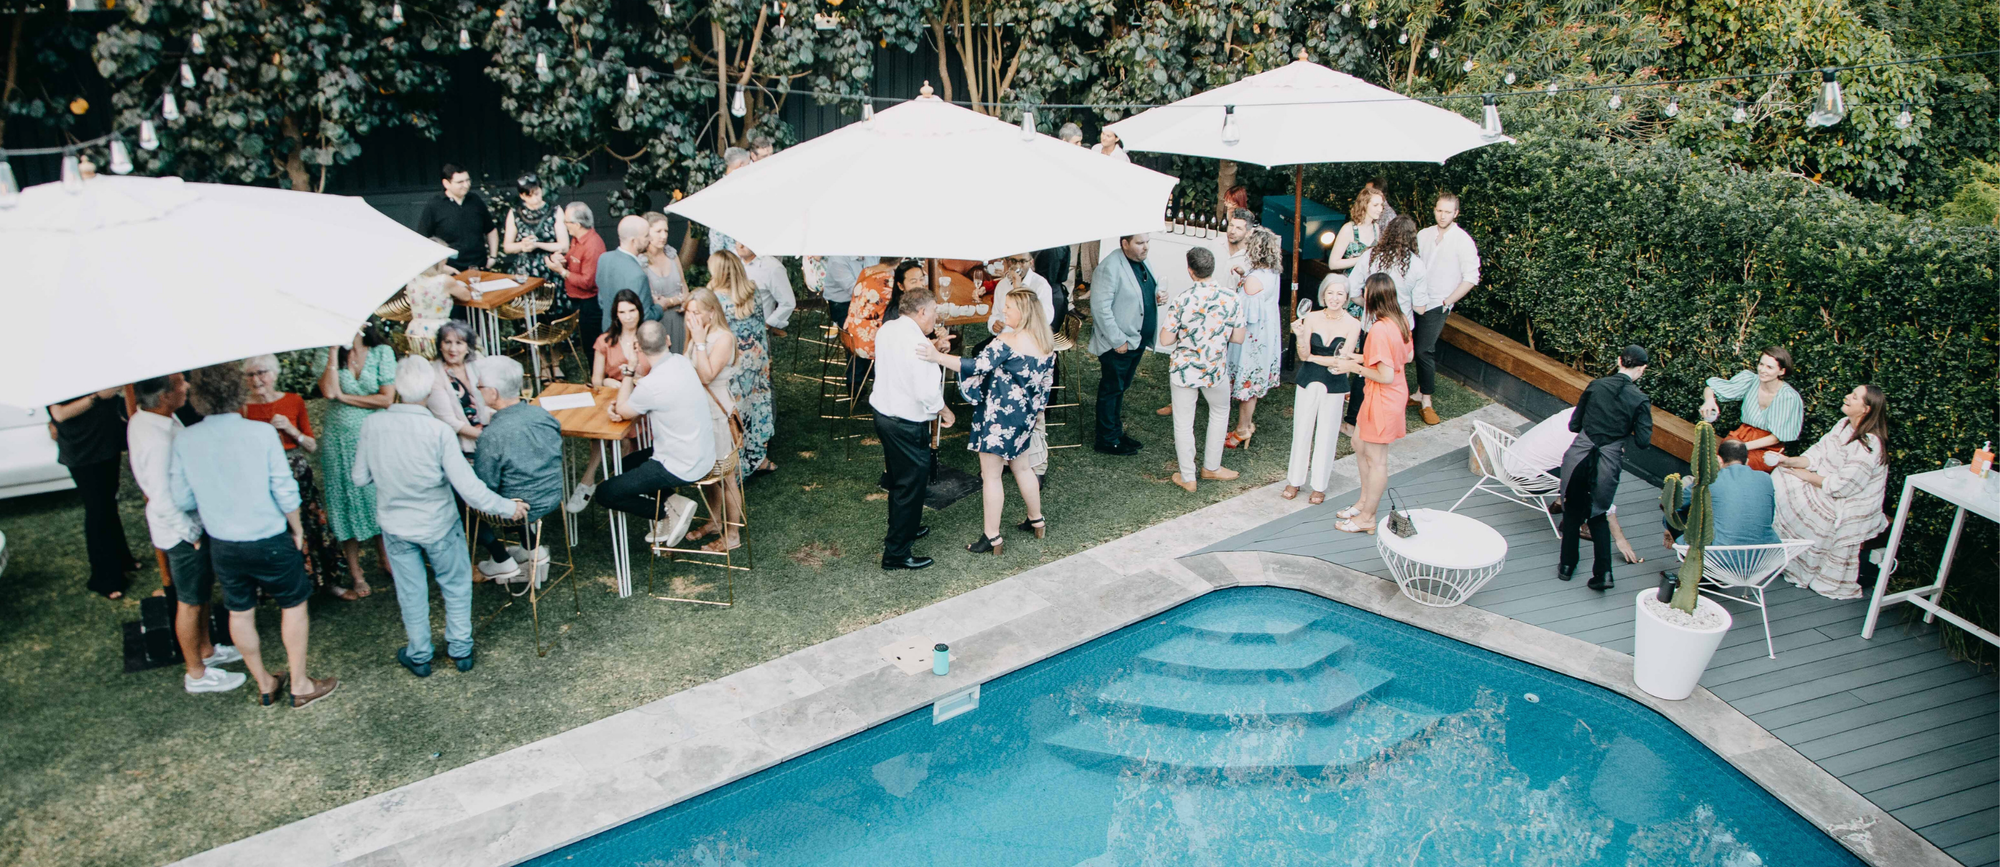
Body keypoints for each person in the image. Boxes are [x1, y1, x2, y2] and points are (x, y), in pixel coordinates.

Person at [170, 363, 336, 709]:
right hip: (269, 535)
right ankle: (301, 683)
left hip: (224, 543)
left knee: (240, 610)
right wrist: (298, 529)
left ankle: (264, 683)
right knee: (293, 604)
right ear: (237, 392)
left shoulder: (185, 438)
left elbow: (183, 499)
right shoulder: (259, 434)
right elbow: (286, 492)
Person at [354, 358, 526, 677]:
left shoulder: (371, 425)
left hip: (395, 525)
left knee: (411, 590)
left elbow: (359, 478)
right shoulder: (438, 430)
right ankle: (460, 649)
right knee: (456, 584)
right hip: (439, 524)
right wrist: (507, 507)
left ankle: (419, 654)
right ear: (430, 389)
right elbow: (469, 489)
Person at [129, 374, 245, 693]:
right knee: (190, 601)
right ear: (164, 395)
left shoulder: (155, 419)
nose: (187, 387)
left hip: (190, 524)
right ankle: (196, 673)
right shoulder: (155, 439)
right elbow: (161, 495)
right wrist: (189, 533)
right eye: (180, 384)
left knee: (202, 591)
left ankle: (207, 651)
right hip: (181, 531)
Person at [916, 288, 1054, 554]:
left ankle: (992, 537)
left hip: (998, 418)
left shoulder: (1007, 341)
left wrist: (937, 357)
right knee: (1023, 469)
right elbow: (1045, 386)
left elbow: (975, 366)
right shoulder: (1045, 344)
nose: (1004, 312)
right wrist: (1035, 412)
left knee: (991, 477)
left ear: (1023, 312)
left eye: (1009, 308)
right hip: (1025, 417)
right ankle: (1036, 520)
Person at [597, 321, 717, 543]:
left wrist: (630, 368)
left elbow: (624, 410)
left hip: (680, 465)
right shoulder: (682, 362)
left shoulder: (650, 386)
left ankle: (664, 512)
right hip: (704, 454)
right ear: (668, 340)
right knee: (625, 465)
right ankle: (673, 501)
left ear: (639, 348)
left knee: (605, 492)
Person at [1772, 385, 1891, 600]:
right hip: (1825, 483)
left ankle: (1803, 564)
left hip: (1850, 502)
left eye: (1854, 397)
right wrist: (1789, 462)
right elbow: (1817, 454)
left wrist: (1805, 476)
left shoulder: (1870, 445)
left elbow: (1842, 487)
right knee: (1781, 476)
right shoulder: (1843, 425)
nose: (1847, 397)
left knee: (1817, 511)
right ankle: (1781, 553)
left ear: (1866, 409)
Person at [243, 354, 345, 594]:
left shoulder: (293, 401)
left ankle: (327, 582)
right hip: (261, 475)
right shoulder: (242, 409)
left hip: (296, 472)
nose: (257, 379)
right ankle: (285, 588)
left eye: (262, 373)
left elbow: (311, 445)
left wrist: (291, 429)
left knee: (310, 524)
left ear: (274, 374)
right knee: (278, 531)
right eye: (250, 374)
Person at [1557, 345, 1654, 590]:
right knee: (1599, 515)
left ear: (1619, 360)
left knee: (1572, 512)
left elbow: (1574, 424)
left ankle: (1566, 567)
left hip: (1579, 456)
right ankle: (1604, 574)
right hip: (1608, 461)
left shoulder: (1596, 385)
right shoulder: (1640, 399)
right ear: (1642, 369)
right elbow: (1643, 442)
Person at [871, 288, 954, 570]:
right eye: (934, 312)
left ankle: (906, 527)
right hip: (906, 422)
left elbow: (908, 355)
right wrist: (944, 410)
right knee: (911, 485)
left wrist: (935, 349)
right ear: (921, 312)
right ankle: (896, 554)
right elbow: (926, 391)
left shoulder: (889, 328)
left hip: (884, 414)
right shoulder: (917, 344)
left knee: (898, 480)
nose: (936, 317)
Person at [1504, 407, 1644, 564]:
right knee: (1592, 476)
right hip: (1528, 479)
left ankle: (1558, 503)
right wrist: (1620, 539)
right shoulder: (1586, 441)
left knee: (1575, 465)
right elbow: (1600, 491)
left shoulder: (1576, 411)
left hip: (1508, 460)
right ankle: (1579, 523)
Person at [1157, 247, 1244, 493]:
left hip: (1185, 369)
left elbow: (1165, 340)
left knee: (1184, 422)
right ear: (1211, 268)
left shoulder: (1182, 299)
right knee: (1220, 411)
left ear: (1190, 270)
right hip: (1215, 368)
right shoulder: (1231, 298)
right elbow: (1238, 337)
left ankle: (1188, 477)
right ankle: (1212, 467)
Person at [1331, 275, 1414, 533]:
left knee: (1377, 460)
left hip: (1384, 397)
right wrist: (1358, 355)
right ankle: (1364, 501)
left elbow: (1385, 375)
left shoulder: (1379, 328)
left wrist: (1352, 365)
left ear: (1371, 296)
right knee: (1357, 442)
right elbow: (1406, 356)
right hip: (1387, 393)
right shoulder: (1400, 320)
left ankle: (1368, 517)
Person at [319, 325, 398, 598]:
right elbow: (329, 392)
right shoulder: (329, 354)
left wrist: (345, 397)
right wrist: (332, 350)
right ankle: (356, 572)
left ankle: (385, 558)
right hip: (338, 440)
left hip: (373, 436)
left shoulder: (382, 352)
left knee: (377, 495)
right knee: (343, 499)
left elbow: (386, 399)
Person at [472, 356, 566, 581]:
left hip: (518, 509)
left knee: (460, 496)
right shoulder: (543, 414)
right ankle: (531, 547)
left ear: (493, 393)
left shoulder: (492, 436)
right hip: (551, 496)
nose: (476, 389)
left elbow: (485, 487)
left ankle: (500, 559)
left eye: (479, 386)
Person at [565, 290, 653, 513]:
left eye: (632, 310)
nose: (628, 316)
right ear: (616, 315)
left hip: (643, 401)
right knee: (603, 431)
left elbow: (659, 376)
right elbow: (595, 380)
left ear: (639, 311)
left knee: (619, 433)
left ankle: (605, 484)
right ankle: (596, 481)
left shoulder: (649, 339)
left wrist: (633, 379)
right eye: (623, 312)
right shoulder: (604, 341)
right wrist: (608, 381)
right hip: (612, 399)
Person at [48, 385, 137, 598]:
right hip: (82, 450)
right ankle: (104, 578)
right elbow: (59, 414)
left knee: (108, 504)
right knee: (97, 510)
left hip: (106, 441)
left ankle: (122, 559)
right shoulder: (51, 372)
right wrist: (97, 397)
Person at [1283, 278, 1361, 504]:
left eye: (1340, 294)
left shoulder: (1353, 324)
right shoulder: (1312, 317)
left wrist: (1315, 358)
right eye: (1330, 293)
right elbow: (1303, 355)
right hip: (1308, 380)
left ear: (1346, 297)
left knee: (1327, 434)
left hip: (1335, 384)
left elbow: (1342, 360)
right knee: (1302, 430)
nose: (1335, 298)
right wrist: (1299, 337)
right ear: (1323, 295)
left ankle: (1319, 485)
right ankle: (1294, 479)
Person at [680, 289, 746, 552]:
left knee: (726, 477)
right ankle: (714, 521)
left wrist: (697, 341)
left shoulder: (723, 338)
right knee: (709, 473)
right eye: (688, 312)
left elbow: (706, 375)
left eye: (697, 312)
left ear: (711, 312)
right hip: (699, 415)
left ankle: (733, 536)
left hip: (718, 417)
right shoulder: (699, 334)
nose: (691, 317)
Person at [1088, 234, 1161, 456]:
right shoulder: (1109, 267)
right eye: (1140, 243)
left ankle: (1115, 432)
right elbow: (1100, 308)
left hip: (1136, 340)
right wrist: (1117, 340)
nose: (1145, 247)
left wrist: (1156, 296)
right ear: (1125, 243)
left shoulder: (1141, 261)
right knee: (1112, 389)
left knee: (1120, 388)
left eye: (1147, 241)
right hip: (1119, 343)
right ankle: (1107, 439)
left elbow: (1136, 293)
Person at [1415, 192, 1481, 426]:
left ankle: (1426, 401)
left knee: (1424, 350)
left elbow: (1471, 277)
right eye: (1438, 210)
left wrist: (1447, 301)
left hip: (1436, 304)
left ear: (1456, 213)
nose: (1442, 215)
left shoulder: (1463, 241)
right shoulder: (1424, 234)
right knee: (1404, 347)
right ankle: (1408, 393)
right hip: (1413, 299)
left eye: (1447, 211)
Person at [712, 250, 778, 478]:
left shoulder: (714, 298)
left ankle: (737, 462)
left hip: (731, 361)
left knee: (736, 410)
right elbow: (760, 325)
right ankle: (759, 457)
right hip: (757, 358)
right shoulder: (752, 291)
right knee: (757, 406)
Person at [1700, 346, 1805, 473]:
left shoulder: (1788, 397)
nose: (1762, 370)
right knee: (1717, 462)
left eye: (1769, 367)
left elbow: (1775, 438)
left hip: (1767, 447)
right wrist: (1709, 400)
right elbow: (1711, 388)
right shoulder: (1751, 380)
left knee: (1739, 466)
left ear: (1782, 371)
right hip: (1742, 435)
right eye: (1761, 364)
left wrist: (1741, 448)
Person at [1226, 226, 1284, 449]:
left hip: (1251, 338)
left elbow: (1247, 314)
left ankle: (1242, 429)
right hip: (1266, 334)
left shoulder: (1254, 280)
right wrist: (1245, 276)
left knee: (1246, 386)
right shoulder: (1271, 273)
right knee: (1251, 385)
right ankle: (1247, 423)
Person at [1669, 438, 1781, 548]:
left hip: (1719, 557)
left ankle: (1691, 556)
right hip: (1764, 557)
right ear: (1747, 461)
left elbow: (1673, 505)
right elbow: (1769, 516)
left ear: (1719, 460)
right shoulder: (1765, 478)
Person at [424, 321, 493, 457]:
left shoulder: (476, 366)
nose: (452, 349)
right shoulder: (434, 375)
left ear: (468, 347)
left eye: (459, 343)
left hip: (490, 435)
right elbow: (449, 421)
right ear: (440, 346)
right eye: (447, 342)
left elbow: (492, 401)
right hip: (463, 447)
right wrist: (489, 438)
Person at [1345, 214, 1424, 330]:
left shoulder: (1370, 255)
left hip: (1372, 325)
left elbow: (1352, 291)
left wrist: (1368, 304)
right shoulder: (1417, 264)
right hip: (1401, 327)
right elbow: (1420, 308)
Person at [415, 163, 496, 273]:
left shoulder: (475, 201)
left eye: (468, 180)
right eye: (460, 182)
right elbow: (423, 240)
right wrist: (441, 267)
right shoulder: (434, 206)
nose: (466, 185)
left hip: (479, 267)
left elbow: (491, 230)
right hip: (451, 270)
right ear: (446, 183)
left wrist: (493, 257)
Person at [548, 202, 605, 356]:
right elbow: (572, 260)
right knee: (586, 343)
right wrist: (561, 260)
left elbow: (587, 282)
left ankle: (598, 377)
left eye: (566, 222)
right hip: (577, 301)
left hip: (589, 303)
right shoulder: (577, 239)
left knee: (592, 345)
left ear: (577, 224)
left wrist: (562, 271)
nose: (565, 225)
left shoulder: (592, 246)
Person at [501, 173, 568, 300]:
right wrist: (522, 245)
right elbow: (507, 247)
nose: (535, 199)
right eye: (529, 196)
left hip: (549, 268)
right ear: (522, 196)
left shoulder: (555, 210)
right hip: (525, 270)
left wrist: (537, 245)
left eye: (537, 193)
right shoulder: (515, 213)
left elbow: (564, 246)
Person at [597, 215, 662, 333]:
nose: (650, 239)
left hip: (607, 332)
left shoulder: (603, 259)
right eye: (646, 235)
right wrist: (660, 307)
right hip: (629, 338)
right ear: (634, 241)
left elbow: (602, 301)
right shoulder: (638, 275)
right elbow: (645, 316)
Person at [643, 212, 689, 352]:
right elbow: (652, 300)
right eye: (658, 231)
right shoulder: (641, 262)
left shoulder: (672, 255)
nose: (663, 236)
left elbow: (685, 287)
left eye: (666, 231)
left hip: (679, 318)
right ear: (646, 233)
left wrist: (670, 302)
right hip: (657, 321)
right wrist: (677, 299)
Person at [987, 253, 1054, 336]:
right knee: (978, 349)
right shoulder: (1002, 284)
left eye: (1022, 261)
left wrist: (1018, 290)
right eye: (1013, 261)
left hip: (1030, 339)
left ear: (1031, 262)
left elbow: (1046, 319)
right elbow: (995, 315)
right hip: (1006, 338)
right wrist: (994, 325)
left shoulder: (1040, 285)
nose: (1017, 266)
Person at [1326, 186, 1383, 277]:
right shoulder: (1348, 229)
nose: (1380, 209)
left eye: (1381, 205)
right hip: (1350, 283)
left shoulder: (1376, 228)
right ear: (1364, 205)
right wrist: (1361, 259)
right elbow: (1333, 264)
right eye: (1376, 205)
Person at [738, 241, 795, 333]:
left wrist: (767, 324)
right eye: (738, 240)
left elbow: (788, 302)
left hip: (757, 330)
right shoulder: (732, 262)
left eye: (745, 242)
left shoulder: (772, 267)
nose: (740, 246)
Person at [707, 148, 756, 254]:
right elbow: (717, 235)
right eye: (749, 164)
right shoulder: (723, 193)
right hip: (731, 258)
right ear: (741, 165)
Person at [819, 254, 871, 330]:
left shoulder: (873, 253)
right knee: (868, 327)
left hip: (868, 299)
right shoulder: (837, 259)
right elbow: (854, 290)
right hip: (842, 304)